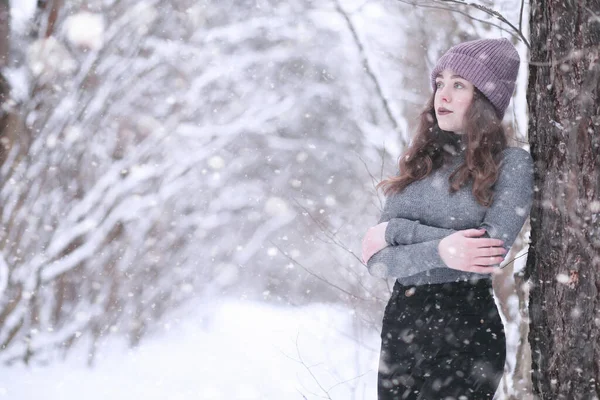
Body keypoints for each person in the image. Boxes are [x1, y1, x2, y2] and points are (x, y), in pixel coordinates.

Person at [361, 37, 534, 400]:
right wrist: (439, 247)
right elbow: (377, 261)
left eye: (459, 85)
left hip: (465, 329)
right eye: (440, 83)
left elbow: (486, 252)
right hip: (401, 330)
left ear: (485, 99)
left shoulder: (510, 165)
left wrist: (396, 236)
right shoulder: (418, 165)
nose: (443, 95)